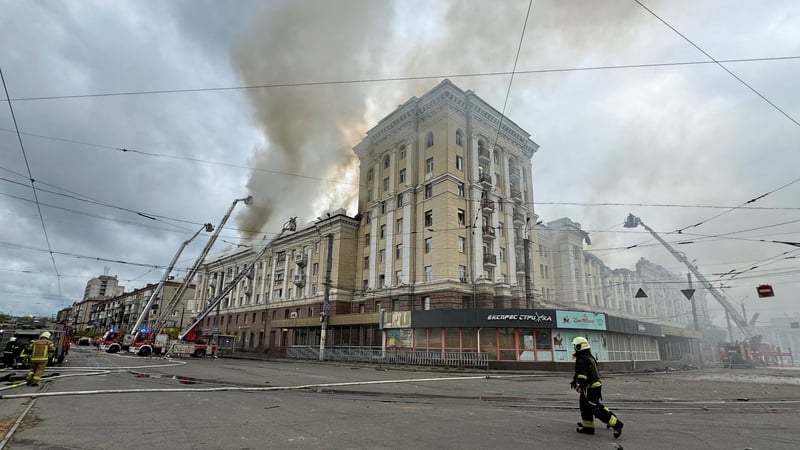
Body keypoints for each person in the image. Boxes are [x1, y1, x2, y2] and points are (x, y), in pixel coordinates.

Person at [570, 336, 624, 438]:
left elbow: (582, 374)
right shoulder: (588, 356)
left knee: (595, 408)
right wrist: (575, 381)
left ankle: (617, 424)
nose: (573, 348)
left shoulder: (581, 359)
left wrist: (580, 384)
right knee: (585, 406)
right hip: (593, 386)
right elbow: (584, 372)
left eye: (574, 346)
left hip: (590, 388)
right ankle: (588, 427)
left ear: (578, 347)